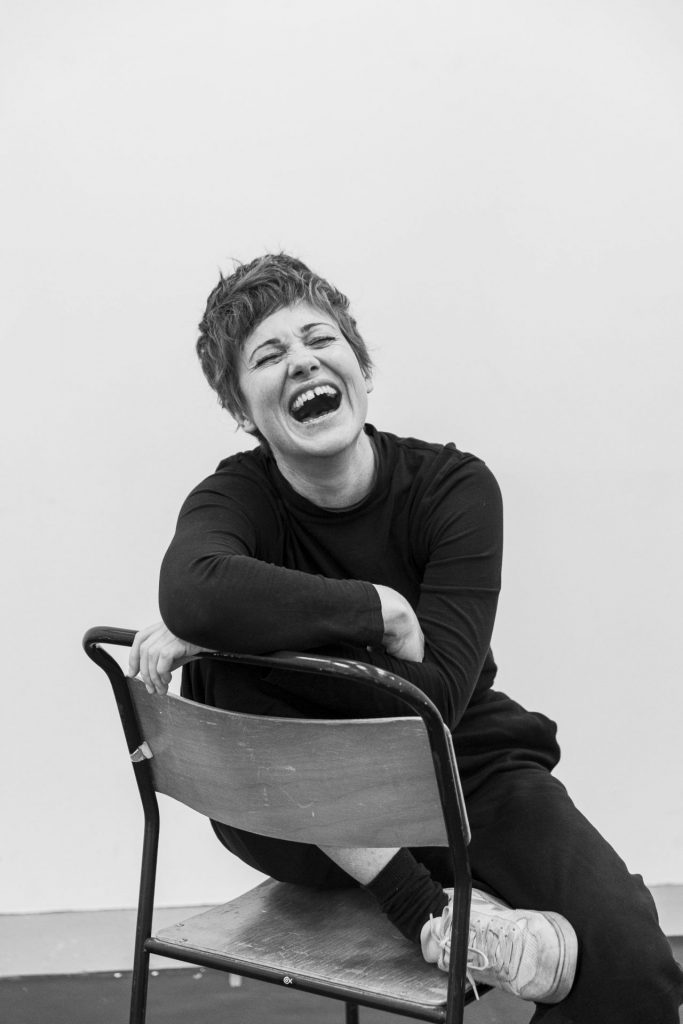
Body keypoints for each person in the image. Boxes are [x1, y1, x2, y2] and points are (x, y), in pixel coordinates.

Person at [130, 254, 683, 1021]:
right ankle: (428, 911)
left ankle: (455, 915)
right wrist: (381, 612)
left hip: (461, 765)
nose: (302, 362)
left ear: (357, 363)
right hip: (294, 812)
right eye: (268, 356)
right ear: (243, 411)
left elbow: (439, 700)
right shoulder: (236, 496)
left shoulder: (454, 488)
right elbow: (191, 589)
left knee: (629, 960)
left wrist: (239, 628)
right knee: (230, 679)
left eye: (318, 338)